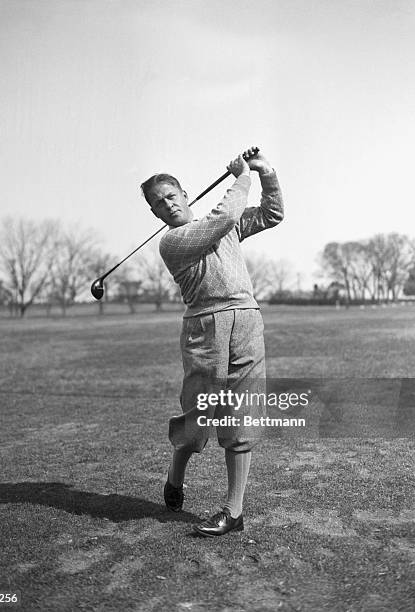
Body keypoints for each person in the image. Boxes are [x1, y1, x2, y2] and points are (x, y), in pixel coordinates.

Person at [141, 147, 284, 536]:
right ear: (154, 214)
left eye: (172, 196)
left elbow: (272, 214)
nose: (167, 205)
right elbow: (224, 218)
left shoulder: (224, 225)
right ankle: (176, 471)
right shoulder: (174, 243)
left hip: (247, 322)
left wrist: (265, 172)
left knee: (243, 415)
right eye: (158, 204)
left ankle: (233, 511)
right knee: (198, 419)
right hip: (205, 328)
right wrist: (241, 177)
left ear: (185, 195)